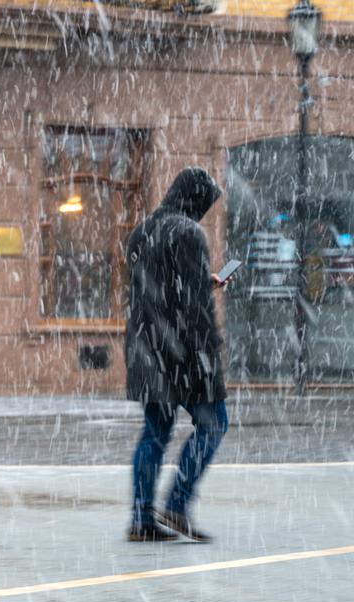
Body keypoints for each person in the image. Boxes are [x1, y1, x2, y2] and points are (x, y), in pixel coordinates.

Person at [125, 167, 230, 543]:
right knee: (214, 423)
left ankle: (141, 520)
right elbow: (192, 304)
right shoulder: (188, 232)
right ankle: (177, 504)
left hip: (144, 348)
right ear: (196, 199)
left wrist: (203, 279)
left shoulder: (142, 230)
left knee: (154, 433)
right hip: (182, 351)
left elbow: (156, 289)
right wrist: (208, 349)